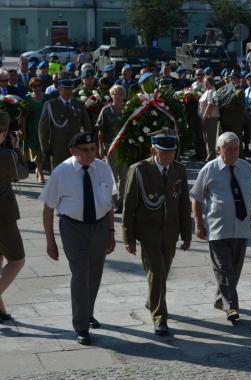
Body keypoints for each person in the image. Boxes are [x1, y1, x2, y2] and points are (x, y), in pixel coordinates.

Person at [40, 131, 116, 345]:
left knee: (95, 273)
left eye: (93, 149)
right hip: (73, 227)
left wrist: (111, 232)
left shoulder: (103, 168)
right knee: (81, 273)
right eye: (85, 150)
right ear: (73, 151)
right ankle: (81, 325)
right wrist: (50, 241)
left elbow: (108, 204)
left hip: (100, 226)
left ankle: (87, 311)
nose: (91, 153)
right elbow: (47, 209)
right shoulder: (62, 172)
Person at [190, 132, 251, 321]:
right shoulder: (209, 170)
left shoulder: (247, 169)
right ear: (219, 150)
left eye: (236, 149)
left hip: (241, 228)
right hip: (218, 228)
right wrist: (199, 224)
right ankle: (231, 307)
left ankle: (220, 299)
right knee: (225, 269)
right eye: (229, 150)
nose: (233, 153)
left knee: (234, 269)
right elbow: (197, 198)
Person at [122, 128, 191, 336]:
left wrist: (187, 235)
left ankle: (152, 299)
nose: (169, 156)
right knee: (158, 273)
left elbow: (184, 205)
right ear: (153, 150)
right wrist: (129, 238)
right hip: (148, 232)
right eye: (164, 152)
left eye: (172, 152)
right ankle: (160, 318)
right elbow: (129, 206)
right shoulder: (139, 170)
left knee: (162, 272)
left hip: (170, 231)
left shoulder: (179, 170)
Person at [0, 111, 29, 322]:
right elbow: (23, 173)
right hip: (3, 216)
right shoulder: (6, 155)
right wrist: (17, 149)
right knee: (17, 260)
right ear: (3, 132)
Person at [38, 79, 92, 169]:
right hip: (57, 149)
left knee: (76, 175)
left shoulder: (79, 105)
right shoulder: (51, 105)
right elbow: (43, 128)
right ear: (59, 90)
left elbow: (87, 126)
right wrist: (45, 148)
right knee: (58, 177)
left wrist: (89, 144)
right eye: (65, 89)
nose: (68, 92)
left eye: (70, 89)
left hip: (76, 148)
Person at [97, 85, 128, 213]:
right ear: (111, 95)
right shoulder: (105, 110)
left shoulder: (128, 110)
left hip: (125, 147)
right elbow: (100, 131)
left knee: (124, 175)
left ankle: (122, 201)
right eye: (115, 93)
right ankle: (113, 202)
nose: (118, 96)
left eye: (121, 93)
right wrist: (100, 147)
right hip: (110, 146)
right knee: (112, 176)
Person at [21, 77, 48, 183]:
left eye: (39, 85)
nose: (37, 88)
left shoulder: (47, 98)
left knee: (44, 151)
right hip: (32, 128)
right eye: (34, 86)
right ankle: (41, 174)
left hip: (46, 128)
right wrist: (23, 131)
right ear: (30, 87)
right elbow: (23, 117)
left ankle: (38, 169)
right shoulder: (27, 99)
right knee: (36, 151)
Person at [198, 77, 220, 161]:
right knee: (207, 138)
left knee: (210, 138)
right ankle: (209, 155)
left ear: (210, 83)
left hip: (210, 118)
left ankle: (211, 156)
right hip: (206, 118)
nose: (204, 84)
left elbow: (211, 104)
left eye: (205, 82)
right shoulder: (207, 91)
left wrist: (204, 116)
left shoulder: (212, 91)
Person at [219, 70, 245, 143]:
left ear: (238, 79)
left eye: (233, 78)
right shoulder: (226, 89)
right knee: (226, 140)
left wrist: (229, 106)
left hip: (235, 120)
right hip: (225, 119)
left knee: (236, 139)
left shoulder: (240, 91)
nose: (231, 80)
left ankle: (239, 154)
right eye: (230, 78)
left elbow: (241, 107)